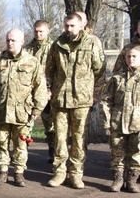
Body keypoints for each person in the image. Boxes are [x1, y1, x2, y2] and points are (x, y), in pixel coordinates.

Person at [45, 12, 105, 188]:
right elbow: (49, 70)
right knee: (60, 138)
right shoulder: (57, 45)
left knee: (79, 139)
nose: (68, 29)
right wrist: (49, 91)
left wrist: (95, 95)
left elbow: (99, 72)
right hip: (61, 100)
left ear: (80, 26)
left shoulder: (91, 43)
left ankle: (76, 173)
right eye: (66, 25)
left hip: (82, 100)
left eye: (72, 26)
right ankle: (59, 172)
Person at [0, 29, 47, 187]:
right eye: (8, 40)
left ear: (22, 42)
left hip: (22, 113)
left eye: (13, 40)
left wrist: (37, 110)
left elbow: (40, 87)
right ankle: (2, 171)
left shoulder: (31, 62)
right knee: (1, 143)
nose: (10, 43)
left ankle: (19, 173)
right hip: (1, 111)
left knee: (20, 144)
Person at [104, 45, 140, 192]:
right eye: (128, 56)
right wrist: (106, 121)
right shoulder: (117, 78)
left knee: (136, 153)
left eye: (134, 57)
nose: (130, 59)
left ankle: (132, 180)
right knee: (117, 153)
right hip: (117, 122)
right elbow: (106, 100)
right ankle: (118, 179)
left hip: (137, 123)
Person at [25, 19, 54, 162]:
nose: (38, 34)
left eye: (41, 31)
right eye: (36, 31)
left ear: (48, 31)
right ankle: (22, 153)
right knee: (25, 124)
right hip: (30, 92)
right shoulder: (28, 48)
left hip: (48, 92)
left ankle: (53, 152)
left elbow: (57, 71)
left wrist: (51, 90)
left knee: (51, 125)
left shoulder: (53, 47)